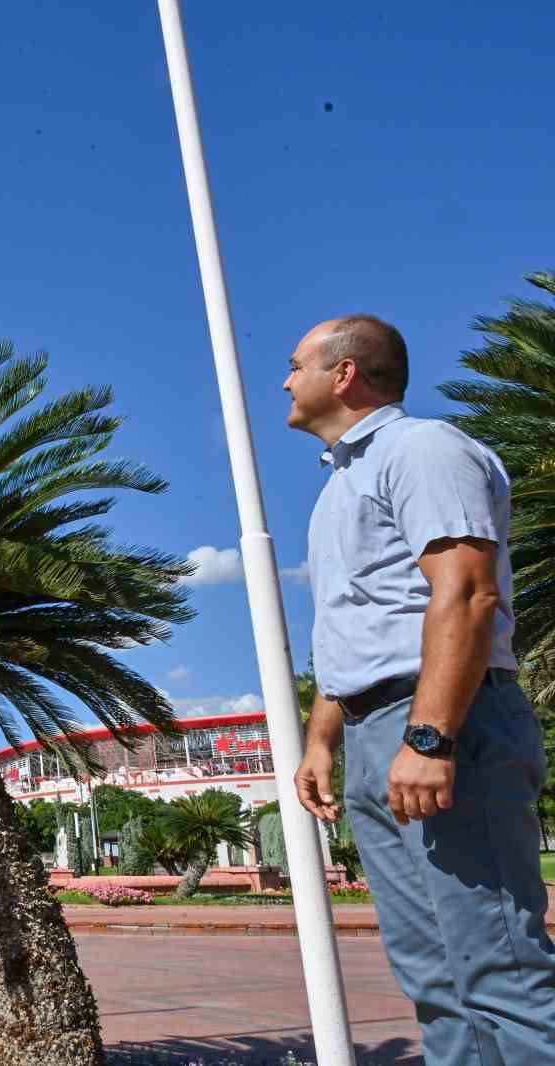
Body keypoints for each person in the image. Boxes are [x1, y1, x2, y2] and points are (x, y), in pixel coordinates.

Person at [286, 315, 555, 1063]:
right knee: (436, 979)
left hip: (442, 722)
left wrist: (430, 736)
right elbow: (363, 627)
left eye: (295, 364)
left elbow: (465, 594)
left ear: (343, 374)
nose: (284, 379)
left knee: (500, 968)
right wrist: (322, 740)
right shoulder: (341, 485)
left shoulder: (423, 450)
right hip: (380, 734)